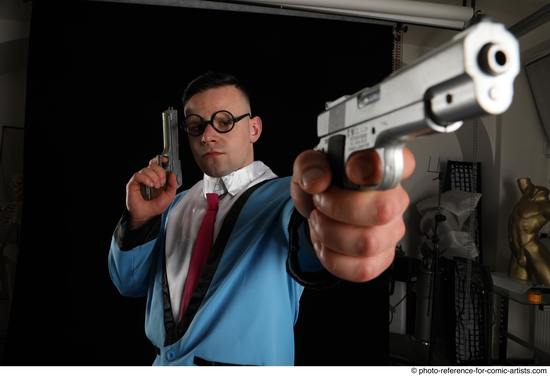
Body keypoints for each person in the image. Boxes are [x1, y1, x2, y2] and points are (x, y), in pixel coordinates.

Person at [108, 71, 415, 365]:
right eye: (195, 125)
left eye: (224, 121)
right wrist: (139, 220)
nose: (208, 135)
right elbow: (129, 283)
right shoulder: (173, 205)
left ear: (253, 129)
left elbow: (308, 242)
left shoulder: (288, 198)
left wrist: (340, 219)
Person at [508, 177, 550, 285]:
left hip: (532, 249)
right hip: (517, 253)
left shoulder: (545, 205)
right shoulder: (525, 198)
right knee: (515, 292)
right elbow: (523, 182)